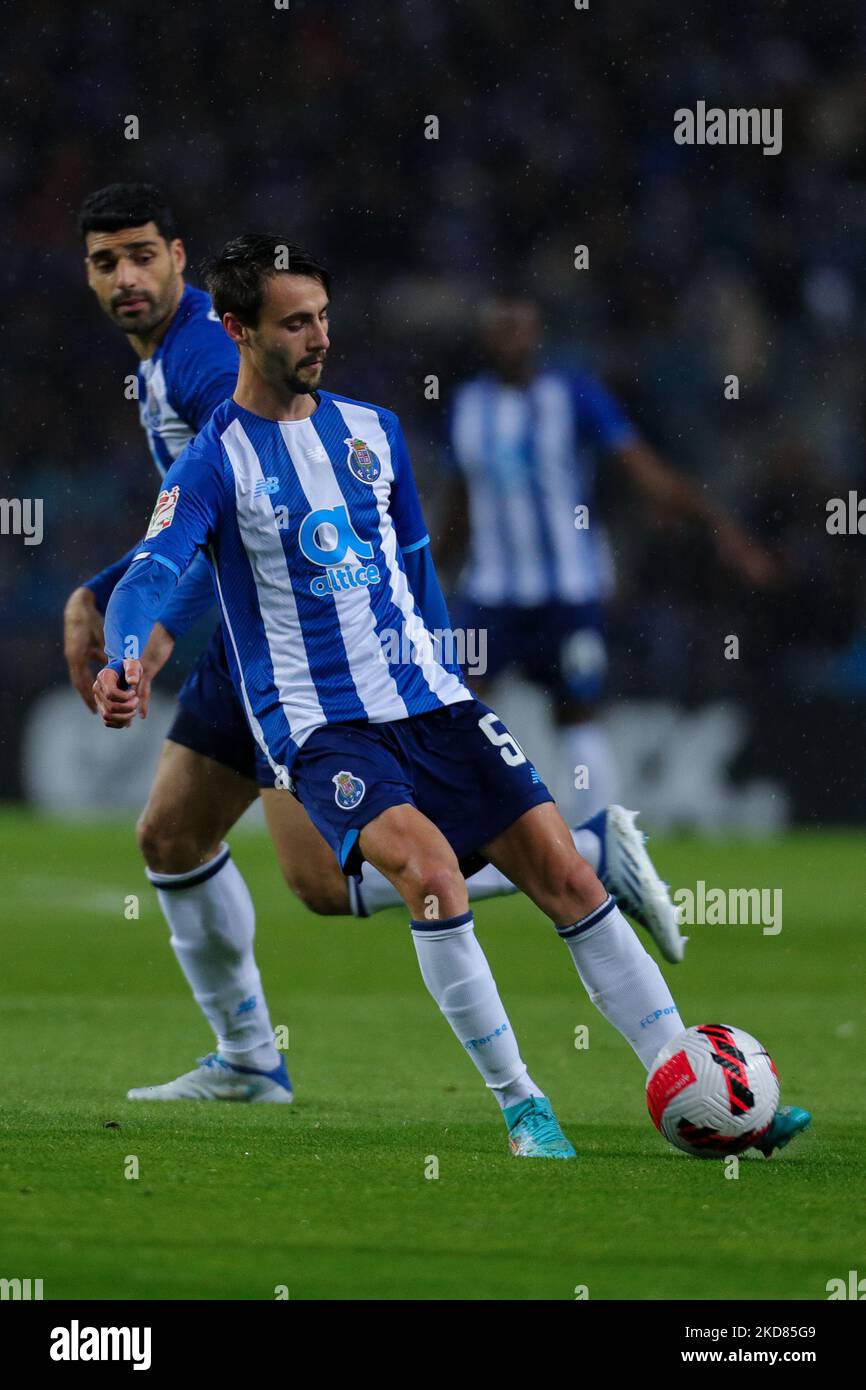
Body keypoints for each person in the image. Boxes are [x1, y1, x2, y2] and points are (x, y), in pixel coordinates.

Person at [93, 235, 808, 1159]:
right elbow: (151, 572)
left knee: (570, 879)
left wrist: (449, 670)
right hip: (322, 729)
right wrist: (124, 658)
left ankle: (698, 1087)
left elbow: (418, 568)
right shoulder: (213, 464)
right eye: (294, 323)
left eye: (322, 316)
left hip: (433, 702)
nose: (318, 337)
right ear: (235, 330)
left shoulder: (373, 431)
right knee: (432, 882)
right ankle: (524, 1108)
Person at [440, 295, 778, 819]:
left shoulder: (573, 396)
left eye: (519, 326)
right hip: (491, 593)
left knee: (577, 713)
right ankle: (458, 833)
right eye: (499, 326)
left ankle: (605, 842)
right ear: (484, 337)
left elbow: (645, 473)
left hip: (569, 591)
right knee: (455, 706)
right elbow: (460, 502)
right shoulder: (466, 407)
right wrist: (427, 567)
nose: (510, 336)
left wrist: (720, 528)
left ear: (537, 333)